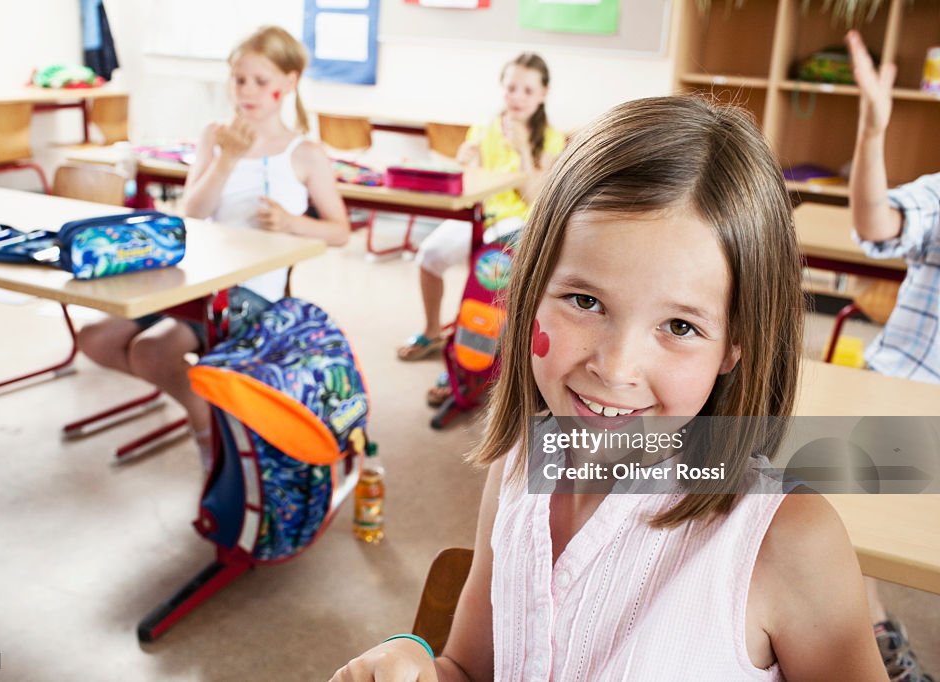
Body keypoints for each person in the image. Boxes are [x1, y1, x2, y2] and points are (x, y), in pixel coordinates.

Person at [331, 96, 887, 681]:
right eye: (585, 301)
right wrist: (416, 663)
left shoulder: (788, 539)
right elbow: (471, 667)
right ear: (528, 293)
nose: (616, 367)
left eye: (679, 327)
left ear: (735, 345)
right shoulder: (521, 465)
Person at [78, 26, 349, 471]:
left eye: (261, 81)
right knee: (95, 338)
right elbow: (192, 212)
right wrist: (226, 158)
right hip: (193, 276)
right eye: (239, 79)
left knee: (151, 350)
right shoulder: (214, 135)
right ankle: (200, 402)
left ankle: (205, 429)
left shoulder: (305, 153)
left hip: (252, 293)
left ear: (290, 82)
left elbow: (340, 231)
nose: (247, 91)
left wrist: (292, 223)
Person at [845, 29, 937, 682]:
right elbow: (877, 222)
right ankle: (875, 637)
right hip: (896, 396)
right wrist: (873, 132)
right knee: (824, 519)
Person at [396, 53, 565, 384]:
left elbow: (536, 197)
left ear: (543, 94)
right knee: (429, 256)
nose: (516, 97)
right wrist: (466, 161)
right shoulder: (485, 127)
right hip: (479, 215)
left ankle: (468, 359)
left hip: (519, 223)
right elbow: (470, 180)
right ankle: (433, 332)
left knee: (482, 280)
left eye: (527, 91)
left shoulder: (551, 138)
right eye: (511, 88)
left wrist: (523, 152)